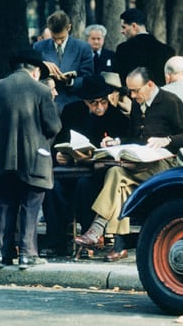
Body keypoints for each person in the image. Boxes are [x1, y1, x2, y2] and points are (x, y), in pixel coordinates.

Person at [74, 67, 183, 262]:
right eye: (130, 91)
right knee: (115, 174)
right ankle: (114, 243)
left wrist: (167, 140)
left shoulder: (170, 102)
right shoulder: (138, 104)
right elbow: (135, 138)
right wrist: (118, 142)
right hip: (140, 164)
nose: (133, 95)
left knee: (117, 178)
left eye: (136, 91)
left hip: (164, 166)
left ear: (150, 85)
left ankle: (99, 230)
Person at [0, 48, 61, 268]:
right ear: (35, 72)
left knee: (3, 204)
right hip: (33, 159)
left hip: (0, 158)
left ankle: (0, 255)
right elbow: (53, 126)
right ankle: (26, 254)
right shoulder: (41, 90)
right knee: (30, 205)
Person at [42, 75, 130, 257]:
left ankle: (89, 242)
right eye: (94, 103)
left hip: (97, 174)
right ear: (85, 102)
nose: (99, 107)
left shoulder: (116, 116)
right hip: (71, 170)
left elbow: (125, 145)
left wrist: (112, 144)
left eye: (103, 102)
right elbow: (60, 142)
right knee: (53, 188)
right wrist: (59, 155)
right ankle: (56, 241)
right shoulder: (71, 111)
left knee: (85, 186)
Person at [33, 11, 94, 110]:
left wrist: (70, 81)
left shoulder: (83, 48)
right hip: (47, 104)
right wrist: (42, 65)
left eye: (61, 38)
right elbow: (32, 74)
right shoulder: (39, 47)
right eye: (54, 38)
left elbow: (88, 78)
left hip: (74, 104)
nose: (58, 41)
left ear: (69, 28)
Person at [114, 8, 175, 87]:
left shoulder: (123, 49)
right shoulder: (167, 51)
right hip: (159, 97)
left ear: (134, 26)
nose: (122, 31)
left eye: (124, 27)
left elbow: (121, 79)